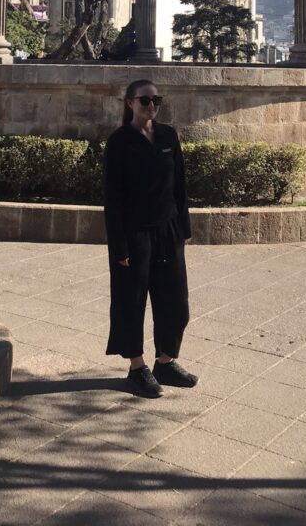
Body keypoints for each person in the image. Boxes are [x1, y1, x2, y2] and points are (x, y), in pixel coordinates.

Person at [103, 79, 198, 398]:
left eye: (157, 99)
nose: (152, 105)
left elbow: (180, 185)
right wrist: (119, 245)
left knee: (175, 300)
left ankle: (166, 362)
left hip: (168, 229)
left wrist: (184, 227)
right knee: (131, 302)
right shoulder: (119, 142)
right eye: (145, 100)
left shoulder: (169, 135)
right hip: (135, 233)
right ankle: (136, 367)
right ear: (129, 103)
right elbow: (112, 199)